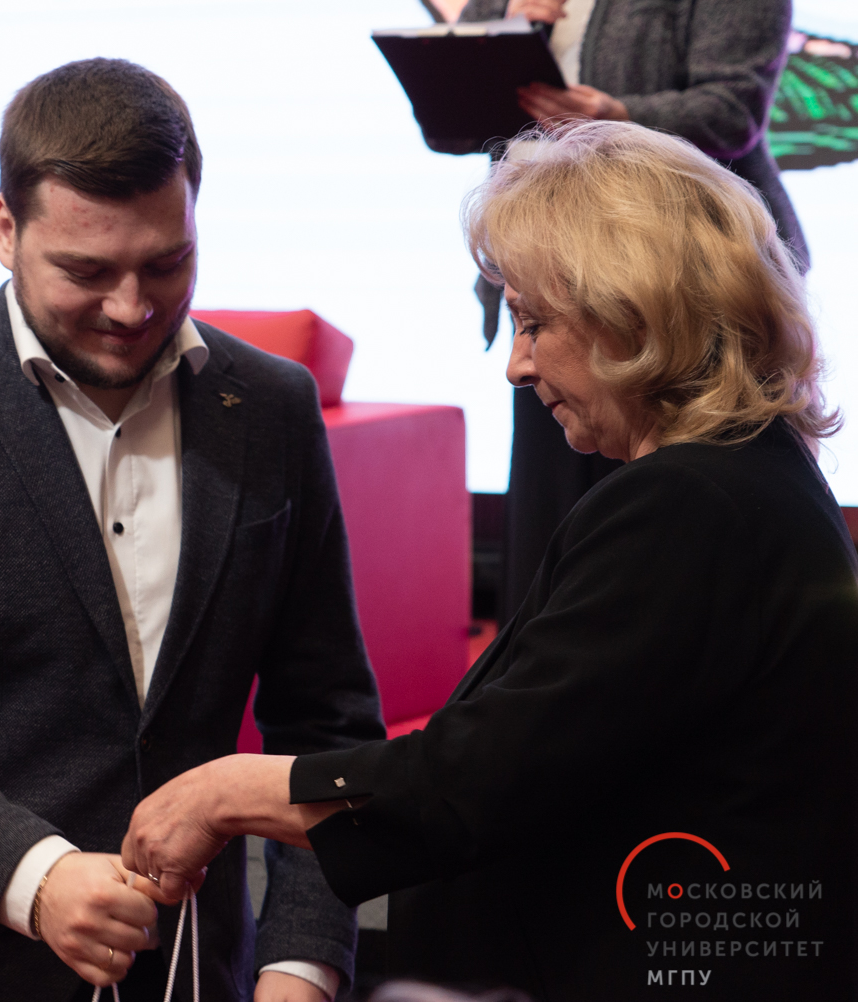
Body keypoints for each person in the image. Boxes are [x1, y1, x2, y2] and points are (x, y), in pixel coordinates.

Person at [121, 120, 858, 1001]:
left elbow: (479, 778)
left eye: (534, 323)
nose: (516, 364)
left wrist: (225, 792)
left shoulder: (689, 503)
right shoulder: (754, 480)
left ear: (638, 314)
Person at [0, 58, 384, 1002]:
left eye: (167, 263)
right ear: (5, 230)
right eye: (86, 271)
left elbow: (325, 724)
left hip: (187, 971)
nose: (132, 308)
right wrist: (36, 877)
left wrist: (301, 963)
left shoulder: (270, 407)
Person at [459, 0, 810, 623]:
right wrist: (508, 22)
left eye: (528, 329)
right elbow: (455, 103)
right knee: (553, 528)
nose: (518, 367)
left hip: (677, 279)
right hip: (552, 269)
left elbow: (732, 110)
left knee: (676, 537)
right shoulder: (540, 328)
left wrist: (615, 120)